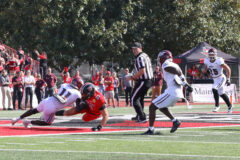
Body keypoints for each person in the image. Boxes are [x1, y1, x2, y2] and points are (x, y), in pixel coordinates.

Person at [143, 50, 193, 135]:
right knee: (160, 106)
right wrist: (185, 84)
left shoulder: (166, 64)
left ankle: (151, 129)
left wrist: (185, 84)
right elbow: (179, 73)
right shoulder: (174, 64)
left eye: (160, 59)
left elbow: (177, 71)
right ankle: (175, 121)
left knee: (152, 107)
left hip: (172, 92)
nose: (159, 61)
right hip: (175, 91)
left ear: (164, 58)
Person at [11, 77, 83, 128]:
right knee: (47, 122)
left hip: (47, 100)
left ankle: (16, 119)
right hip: (52, 107)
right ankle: (27, 122)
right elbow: (77, 107)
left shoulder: (64, 85)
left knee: (34, 110)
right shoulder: (78, 94)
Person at [126, 42, 153, 123]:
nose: (134, 51)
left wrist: (132, 77)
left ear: (140, 48)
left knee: (134, 98)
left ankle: (142, 117)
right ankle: (139, 115)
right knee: (139, 98)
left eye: (135, 49)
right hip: (147, 80)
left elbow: (142, 71)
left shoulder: (140, 57)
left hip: (144, 80)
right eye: (133, 49)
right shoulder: (145, 56)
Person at [203, 48, 232, 113]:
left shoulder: (219, 60)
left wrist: (228, 79)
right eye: (210, 55)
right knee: (221, 93)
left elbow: (228, 69)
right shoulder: (206, 61)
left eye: (212, 54)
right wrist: (205, 73)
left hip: (221, 78)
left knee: (214, 89)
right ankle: (230, 106)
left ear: (215, 55)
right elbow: (205, 69)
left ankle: (217, 106)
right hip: (215, 79)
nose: (211, 56)